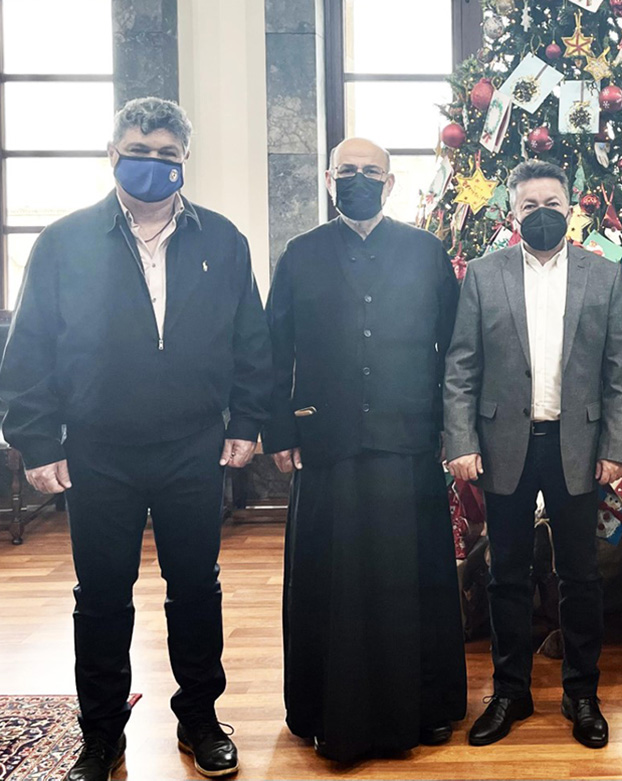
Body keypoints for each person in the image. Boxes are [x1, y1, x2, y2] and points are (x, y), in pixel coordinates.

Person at [0, 97, 271, 780]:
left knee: (196, 588)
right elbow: (28, 350)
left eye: (166, 154)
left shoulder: (223, 241)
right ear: (112, 154)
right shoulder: (63, 242)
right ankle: (101, 734)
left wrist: (246, 423)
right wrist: (37, 441)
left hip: (193, 447)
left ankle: (200, 719)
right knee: (100, 596)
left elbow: (251, 342)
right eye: (138, 151)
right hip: (98, 451)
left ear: (185, 159)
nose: (152, 163)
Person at [264, 137, 467, 763]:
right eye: (347, 171)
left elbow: (455, 350)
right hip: (327, 442)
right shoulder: (300, 254)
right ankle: (329, 711)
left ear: (391, 181)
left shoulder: (426, 252)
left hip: (408, 442)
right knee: (332, 581)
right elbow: (273, 350)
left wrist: (452, 429)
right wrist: (280, 429)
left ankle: (424, 705)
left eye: (370, 171)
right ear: (329, 180)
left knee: (411, 578)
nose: (358, 179)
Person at [444, 159, 622, 749]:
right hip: (502, 445)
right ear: (513, 212)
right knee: (506, 573)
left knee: (580, 574)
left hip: (578, 445)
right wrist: (460, 441)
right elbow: (461, 367)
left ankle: (582, 692)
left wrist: (617, 447)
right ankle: (511, 692)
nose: (542, 213)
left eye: (552, 203)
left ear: (570, 208)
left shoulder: (602, 275)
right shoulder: (484, 274)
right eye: (530, 205)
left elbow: (621, 372)